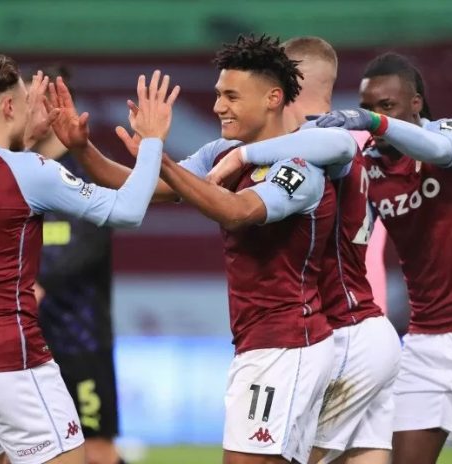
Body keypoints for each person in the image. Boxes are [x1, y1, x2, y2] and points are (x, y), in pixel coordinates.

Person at [47, 34, 357, 464]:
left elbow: (237, 211)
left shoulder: (301, 166)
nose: (218, 106)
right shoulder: (221, 152)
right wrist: (83, 149)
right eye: (217, 94)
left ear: (273, 97)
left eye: (231, 95)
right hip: (265, 343)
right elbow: (146, 186)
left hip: (287, 345)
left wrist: (163, 157)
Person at [266, 52, 452, 464]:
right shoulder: (371, 167)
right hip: (424, 341)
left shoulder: (449, 134)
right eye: (367, 107)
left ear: (415, 104)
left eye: (387, 106)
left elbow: (447, 150)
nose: (374, 116)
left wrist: (374, 124)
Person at [0, 54, 179, 464]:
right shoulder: (31, 170)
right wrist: (154, 140)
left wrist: (24, 139)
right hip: (8, 359)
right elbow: (127, 210)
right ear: (9, 107)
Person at [206, 36, 401, 464]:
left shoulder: (317, 140)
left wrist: (242, 156)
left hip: (337, 329)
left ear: (281, 87)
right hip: (370, 320)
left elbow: (328, 147)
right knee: (364, 453)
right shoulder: (364, 142)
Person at [28, 65, 123, 464]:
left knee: (95, 449)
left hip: (81, 338)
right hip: (27, 344)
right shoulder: (18, 172)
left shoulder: (87, 171)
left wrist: (35, 281)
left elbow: (89, 243)